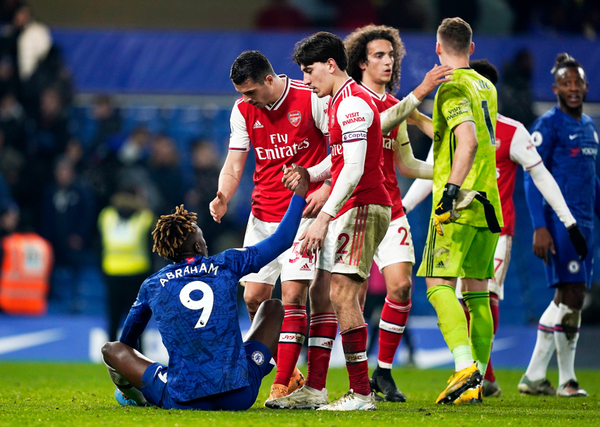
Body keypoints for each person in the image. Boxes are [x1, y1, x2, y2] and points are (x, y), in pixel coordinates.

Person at [403, 59, 588, 398]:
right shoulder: (457, 124)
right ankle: (474, 372)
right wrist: (403, 208)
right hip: (457, 223)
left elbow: (541, 175)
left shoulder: (512, 130)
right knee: (462, 296)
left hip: (495, 231)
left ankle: (481, 374)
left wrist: (567, 221)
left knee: (483, 296)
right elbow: (431, 172)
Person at [100, 166, 310, 410]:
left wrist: (144, 377)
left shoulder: (153, 284)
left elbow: (127, 341)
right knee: (273, 307)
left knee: (112, 349)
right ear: (199, 247)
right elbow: (282, 239)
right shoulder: (226, 263)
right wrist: (300, 193)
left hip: (182, 398)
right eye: (203, 239)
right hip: (239, 394)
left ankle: (132, 397)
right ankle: (287, 375)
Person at [209, 50, 331, 402]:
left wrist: (323, 188)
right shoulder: (243, 110)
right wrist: (223, 195)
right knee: (253, 298)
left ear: (268, 79)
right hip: (262, 215)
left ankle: (280, 385)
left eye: (249, 92)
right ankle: (291, 373)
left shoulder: (311, 99)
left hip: (302, 214)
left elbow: (337, 151)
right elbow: (234, 164)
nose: (245, 99)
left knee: (293, 295)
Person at [343, 24, 436, 403]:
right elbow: (374, 125)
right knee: (351, 295)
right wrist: (421, 92)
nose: (387, 61)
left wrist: (452, 170)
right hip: (356, 209)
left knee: (400, 287)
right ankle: (354, 378)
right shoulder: (352, 100)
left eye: (390, 55)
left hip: (391, 207)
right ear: (361, 62)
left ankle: (383, 371)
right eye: (378, 55)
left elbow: (408, 163)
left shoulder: (395, 105)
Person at [415, 17, 503, 405]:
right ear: (471, 47)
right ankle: (478, 380)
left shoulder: (450, 89)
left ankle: (464, 366)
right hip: (489, 202)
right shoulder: (485, 84)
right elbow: (470, 134)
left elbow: (464, 142)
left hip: (461, 202)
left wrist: (449, 193)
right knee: (479, 294)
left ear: (438, 49)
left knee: (437, 285)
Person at [518, 53, 598, 398]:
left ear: (586, 85)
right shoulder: (547, 126)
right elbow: (531, 178)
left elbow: (592, 179)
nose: (573, 88)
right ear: (555, 89)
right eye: (566, 83)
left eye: (577, 82)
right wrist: (540, 226)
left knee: (567, 297)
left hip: (586, 224)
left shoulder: (589, 126)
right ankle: (566, 380)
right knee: (574, 295)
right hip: (560, 224)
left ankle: (536, 374)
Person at [98, 188, 154, 342]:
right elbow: (153, 250)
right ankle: (138, 358)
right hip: (138, 273)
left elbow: (99, 245)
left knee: (113, 319)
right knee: (137, 320)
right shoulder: (145, 218)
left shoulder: (107, 216)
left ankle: (110, 357)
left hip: (112, 272)